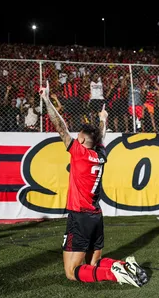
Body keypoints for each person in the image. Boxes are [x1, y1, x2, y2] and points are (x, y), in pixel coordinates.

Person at [40, 81, 148, 288]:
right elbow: (101, 136)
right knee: (94, 263)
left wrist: (46, 99)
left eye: (77, 137)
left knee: (72, 272)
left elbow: (61, 128)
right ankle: (123, 266)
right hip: (96, 216)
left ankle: (116, 275)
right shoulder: (100, 154)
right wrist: (103, 119)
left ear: (80, 142)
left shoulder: (79, 152)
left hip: (79, 216)